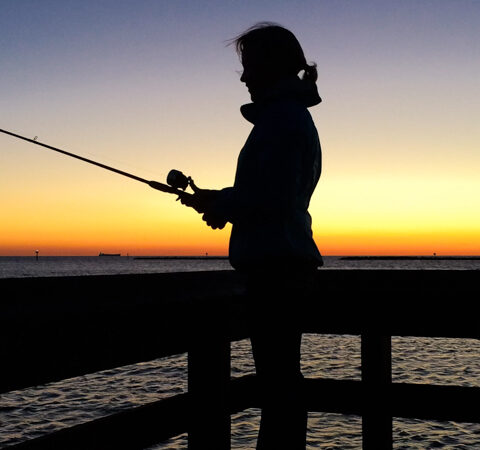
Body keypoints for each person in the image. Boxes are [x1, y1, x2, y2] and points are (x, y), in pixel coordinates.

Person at [180, 22, 323, 450]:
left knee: (277, 385)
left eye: (249, 67)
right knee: (281, 383)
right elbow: (269, 197)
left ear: (272, 67)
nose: (243, 78)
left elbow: (270, 198)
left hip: (276, 270)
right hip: (285, 262)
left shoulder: (280, 120)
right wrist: (223, 205)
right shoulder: (290, 117)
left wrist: (224, 205)